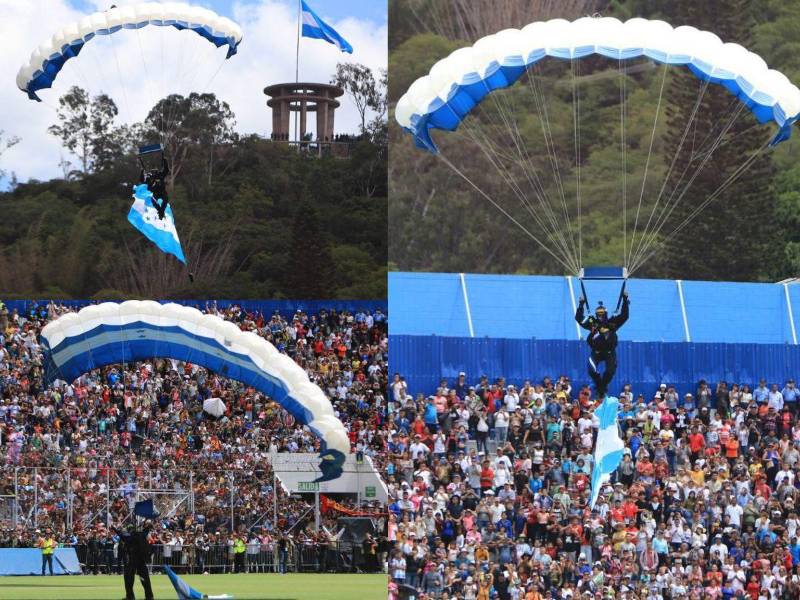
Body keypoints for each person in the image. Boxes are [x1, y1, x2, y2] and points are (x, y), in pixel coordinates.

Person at [575, 290, 629, 397]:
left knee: (610, 371)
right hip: (597, 352)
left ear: (606, 314)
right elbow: (579, 318)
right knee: (591, 370)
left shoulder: (612, 322)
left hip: (609, 352)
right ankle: (600, 386)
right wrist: (581, 304)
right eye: (598, 315)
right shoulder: (592, 323)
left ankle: (601, 388)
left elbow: (624, 316)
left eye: (602, 314)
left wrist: (625, 300)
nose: (600, 316)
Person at [115, 522, 154, 600]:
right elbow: (145, 531)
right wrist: (147, 527)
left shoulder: (132, 536)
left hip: (133, 560)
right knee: (144, 578)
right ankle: (149, 596)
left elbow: (124, 537)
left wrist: (116, 530)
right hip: (141, 560)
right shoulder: (141, 534)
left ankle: (130, 596)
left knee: (128, 578)